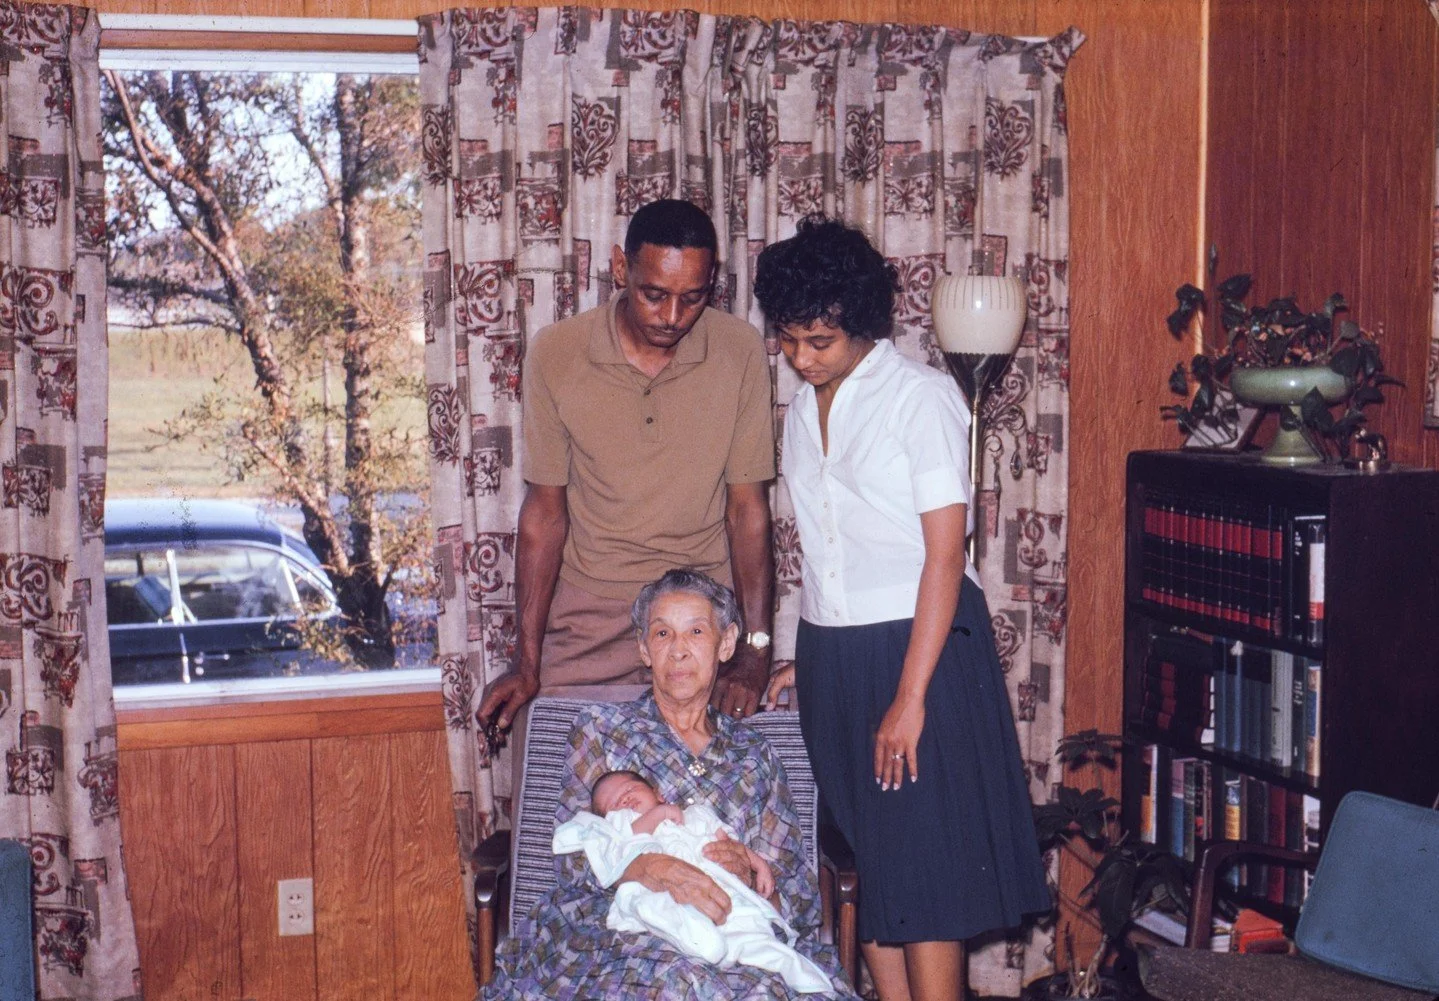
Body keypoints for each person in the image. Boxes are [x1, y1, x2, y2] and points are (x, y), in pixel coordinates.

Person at [754, 218, 1051, 1001]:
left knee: (925, 877)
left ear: (860, 323)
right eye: (787, 339)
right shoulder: (797, 410)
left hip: (920, 651)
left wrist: (910, 696)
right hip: (833, 655)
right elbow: (819, 549)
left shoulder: (920, 399)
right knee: (876, 867)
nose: (800, 357)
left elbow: (945, 557)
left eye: (818, 339)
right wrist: (799, 651)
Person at [479, 199, 776, 746]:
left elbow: (748, 512)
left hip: (701, 614)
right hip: (589, 616)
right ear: (621, 269)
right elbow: (544, 517)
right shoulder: (557, 353)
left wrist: (755, 653)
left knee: (719, 799)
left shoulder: (740, 352)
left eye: (692, 298)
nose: (671, 317)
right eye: (654, 294)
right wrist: (526, 660)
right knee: (554, 784)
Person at [482, 569, 855, 1000]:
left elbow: (800, 898)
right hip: (617, 937)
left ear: (727, 643)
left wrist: (749, 880)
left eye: (696, 631)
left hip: (740, 940)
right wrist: (653, 869)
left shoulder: (755, 756)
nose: (678, 651)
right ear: (644, 648)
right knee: (678, 983)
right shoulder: (602, 733)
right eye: (662, 634)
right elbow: (572, 861)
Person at [550, 769, 832, 994]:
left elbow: (729, 842)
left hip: (721, 898)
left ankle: (802, 976)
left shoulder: (695, 815)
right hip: (663, 898)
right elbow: (617, 848)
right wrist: (656, 815)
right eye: (614, 805)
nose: (624, 801)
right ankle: (696, 936)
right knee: (637, 897)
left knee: (756, 938)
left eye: (630, 790)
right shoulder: (624, 832)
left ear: (658, 793)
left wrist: (759, 866)